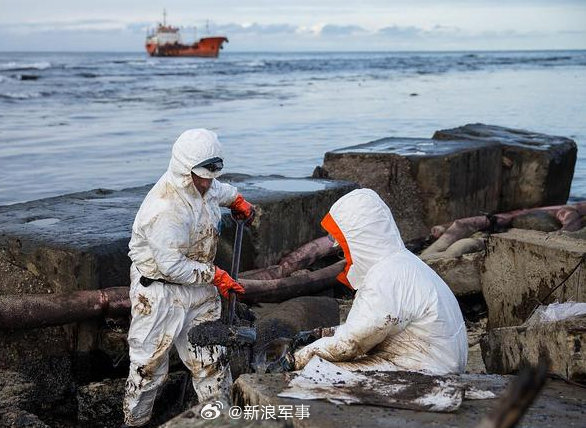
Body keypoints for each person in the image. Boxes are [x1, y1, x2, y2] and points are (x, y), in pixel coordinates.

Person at [123, 128, 254, 426]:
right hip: (159, 294)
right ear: (185, 170)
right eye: (203, 175)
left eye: (212, 174)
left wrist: (237, 201)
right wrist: (216, 275)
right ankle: (135, 421)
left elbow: (219, 190)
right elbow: (171, 266)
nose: (208, 181)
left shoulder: (205, 186)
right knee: (148, 369)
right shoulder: (165, 208)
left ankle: (219, 419)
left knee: (212, 363)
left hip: (199, 288)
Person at [281, 188, 467, 375]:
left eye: (345, 246)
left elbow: (351, 342)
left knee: (316, 373)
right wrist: (322, 333)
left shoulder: (384, 276)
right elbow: (369, 326)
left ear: (359, 240)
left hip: (425, 371)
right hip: (439, 361)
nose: (345, 254)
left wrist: (298, 358)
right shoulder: (404, 263)